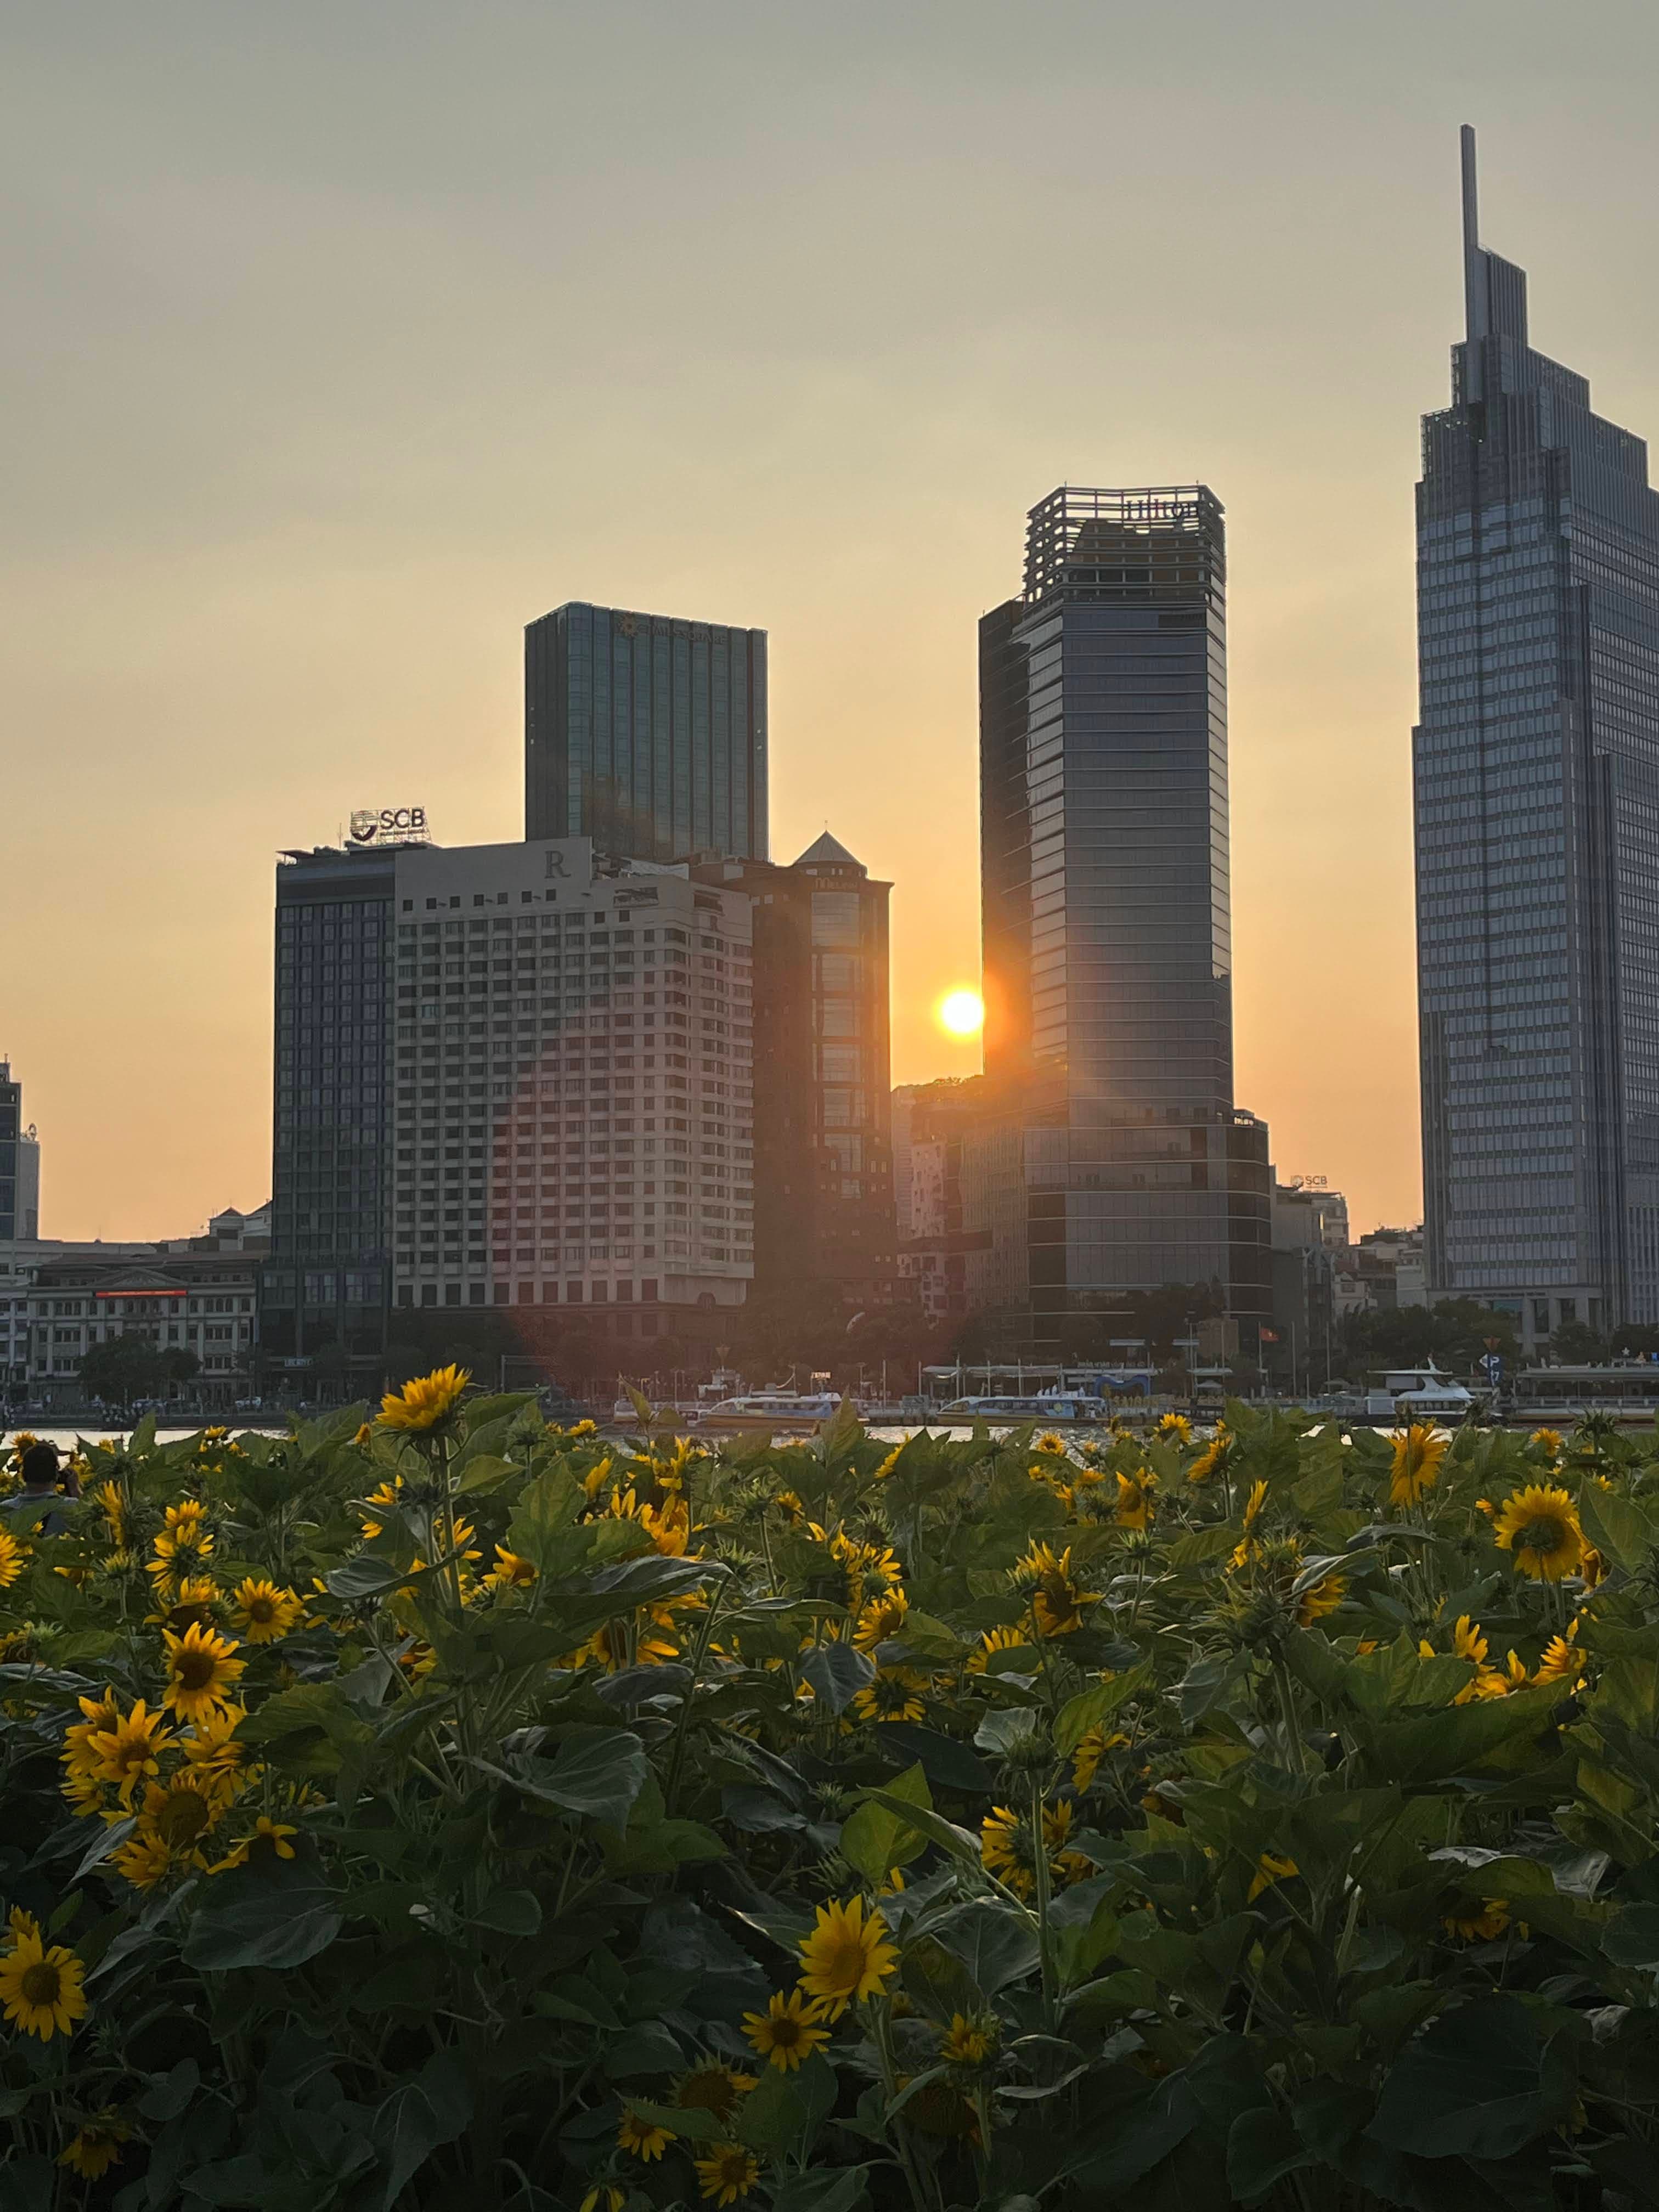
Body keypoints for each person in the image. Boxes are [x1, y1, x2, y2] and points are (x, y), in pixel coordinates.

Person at [1, 1439, 80, 1536]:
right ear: (56, 1475)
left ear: (23, 1475)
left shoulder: (5, 1509)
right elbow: (89, 1519)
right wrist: (74, 1488)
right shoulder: (71, 1506)